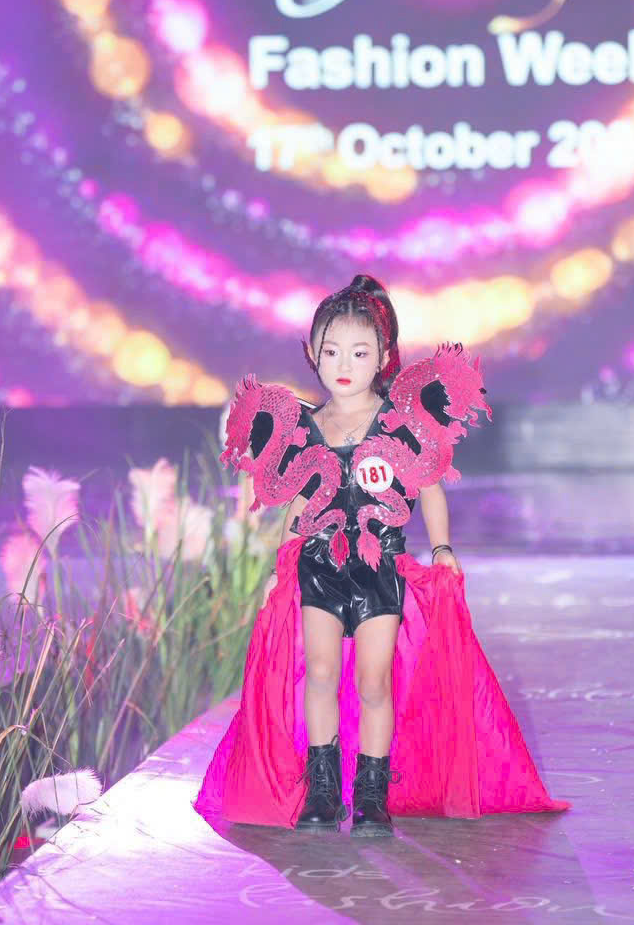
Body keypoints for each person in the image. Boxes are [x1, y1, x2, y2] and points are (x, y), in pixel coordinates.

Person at [194, 275, 569, 836]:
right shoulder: (304, 428)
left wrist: (442, 548)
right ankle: (324, 790)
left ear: (383, 355)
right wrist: (281, 567)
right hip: (319, 567)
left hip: (379, 571)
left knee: (374, 681)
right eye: (331, 352)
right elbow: (300, 502)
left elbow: (431, 487)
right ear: (312, 354)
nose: (344, 364)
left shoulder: (401, 423)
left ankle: (372, 791)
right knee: (320, 673)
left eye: (360, 352)